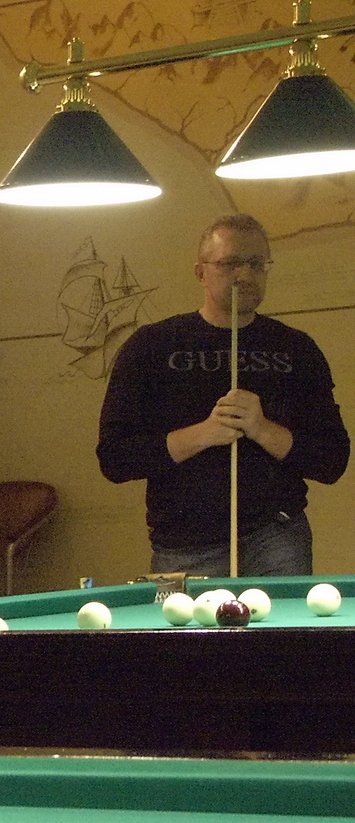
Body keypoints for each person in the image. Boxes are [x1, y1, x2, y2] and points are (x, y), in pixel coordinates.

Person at [98, 213, 349, 575]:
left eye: (256, 264)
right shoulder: (152, 346)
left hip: (277, 538)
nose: (245, 275)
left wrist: (261, 429)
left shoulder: (296, 349)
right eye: (230, 263)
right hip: (183, 543)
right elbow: (114, 458)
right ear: (200, 272)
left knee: (282, 618)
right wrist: (203, 434)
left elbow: (332, 460)